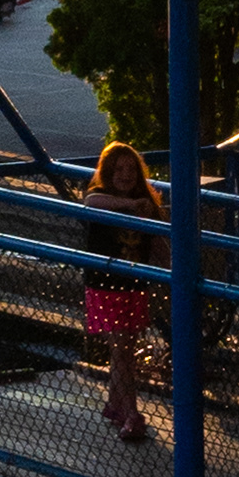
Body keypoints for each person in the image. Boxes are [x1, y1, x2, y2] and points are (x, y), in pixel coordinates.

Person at [82, 137, 165, 448]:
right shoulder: (102, 196)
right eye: (118, 169)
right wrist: (131, 206)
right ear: (107, 172)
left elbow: (158, 244)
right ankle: (132, 413)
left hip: (134, 286)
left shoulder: (148, 205)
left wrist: (173, 267)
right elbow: (91, 203)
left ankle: (115, 403)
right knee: (121, 348)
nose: (126, 175)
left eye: (131, 169)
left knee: (125, 347)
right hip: (105, 286)